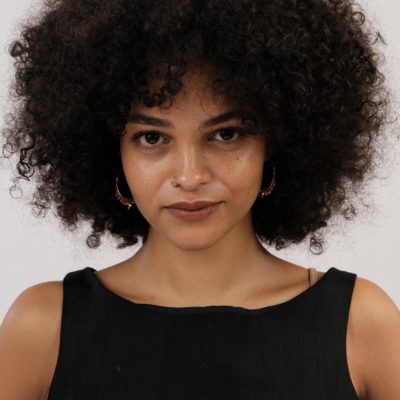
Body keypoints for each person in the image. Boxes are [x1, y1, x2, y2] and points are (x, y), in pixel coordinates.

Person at [0, 0, 399, 399]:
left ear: (276, 142)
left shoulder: (362, 327)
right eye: (152, 138)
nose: (190, 177)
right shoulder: (43, 330)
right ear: (110, 151)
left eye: (226, 134)